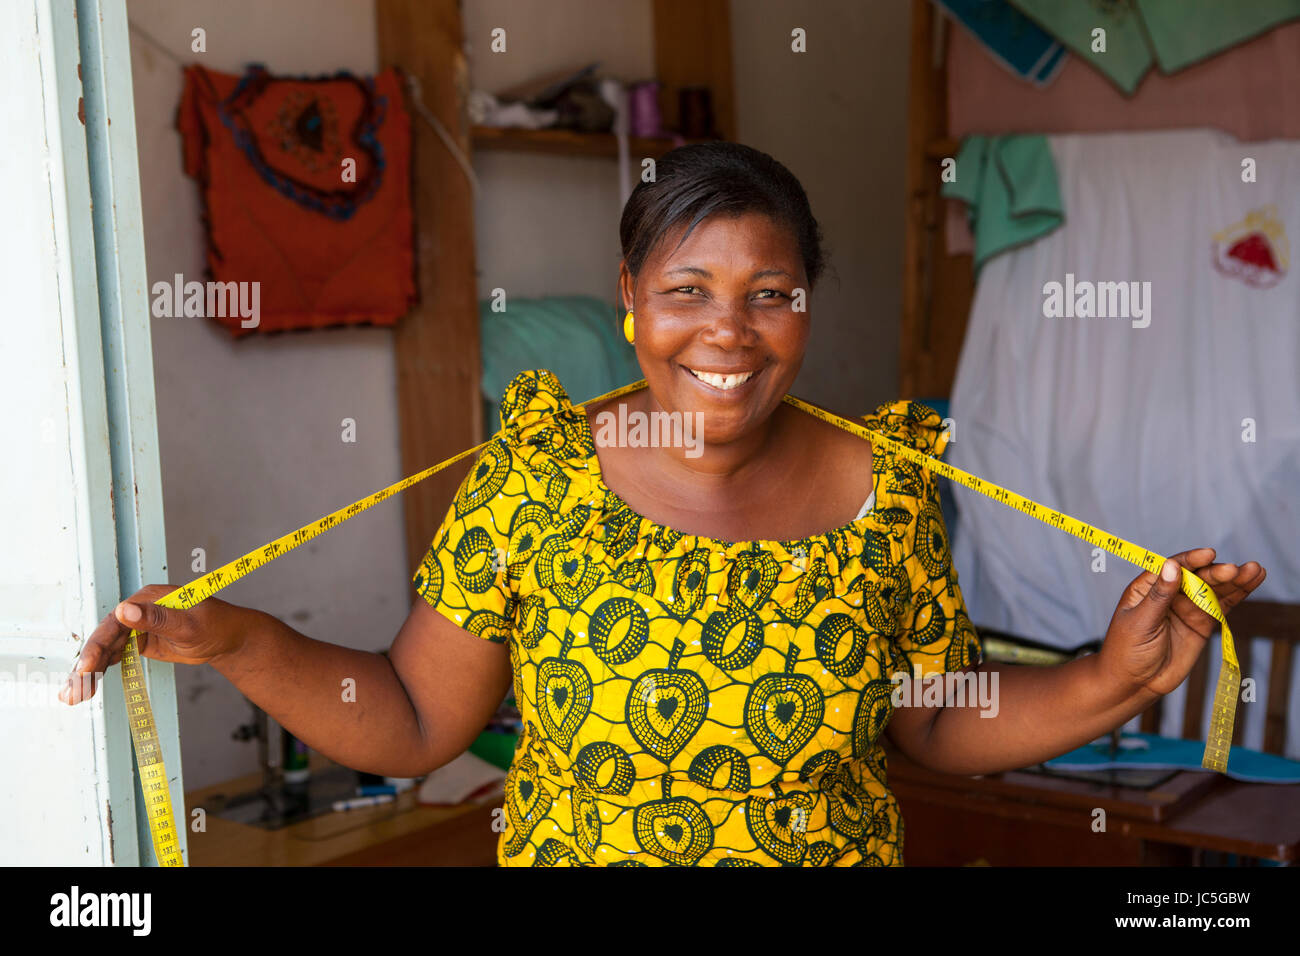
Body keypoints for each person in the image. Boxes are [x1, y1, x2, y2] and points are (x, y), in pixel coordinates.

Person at [63, 142, 1266, 866]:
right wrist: (229, 637)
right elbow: (416, 718)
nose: (728, 332)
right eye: (687, 287)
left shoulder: (885, 490)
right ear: (630, 297)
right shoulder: (534, 481)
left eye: (771, 292)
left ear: (809, 304)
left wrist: (1113, 674)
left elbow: (933, 719)